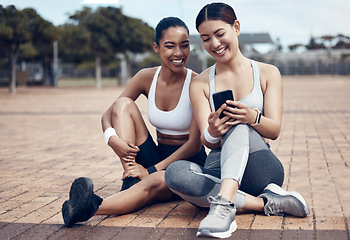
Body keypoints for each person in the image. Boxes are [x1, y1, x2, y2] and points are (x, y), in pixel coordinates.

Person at [164, 3, 309, 239]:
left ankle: (222, 206)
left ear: (236, 27)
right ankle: (263, 204)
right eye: (206, 38)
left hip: (258, 167)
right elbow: (208, 142)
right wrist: (212, 130)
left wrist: (251, 117)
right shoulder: (200, 83)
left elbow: (274, 130)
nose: (215, 44)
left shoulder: (267, 73)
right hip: (217, 168)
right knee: (174, 174)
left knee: (237, 121)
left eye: (220, 34)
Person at [61, 16, 207, 227]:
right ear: (157, 48)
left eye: (184, 46)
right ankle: (130, 176)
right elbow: (109, 113)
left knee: (148, 185)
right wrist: (111, 139)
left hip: (187, 164)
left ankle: (89, 207)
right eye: (170, 46)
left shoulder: (196, 82)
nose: (178, 53)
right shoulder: (146, 77)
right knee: (122, 104)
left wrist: (150, 171)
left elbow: (194, 144)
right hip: (155, 155)